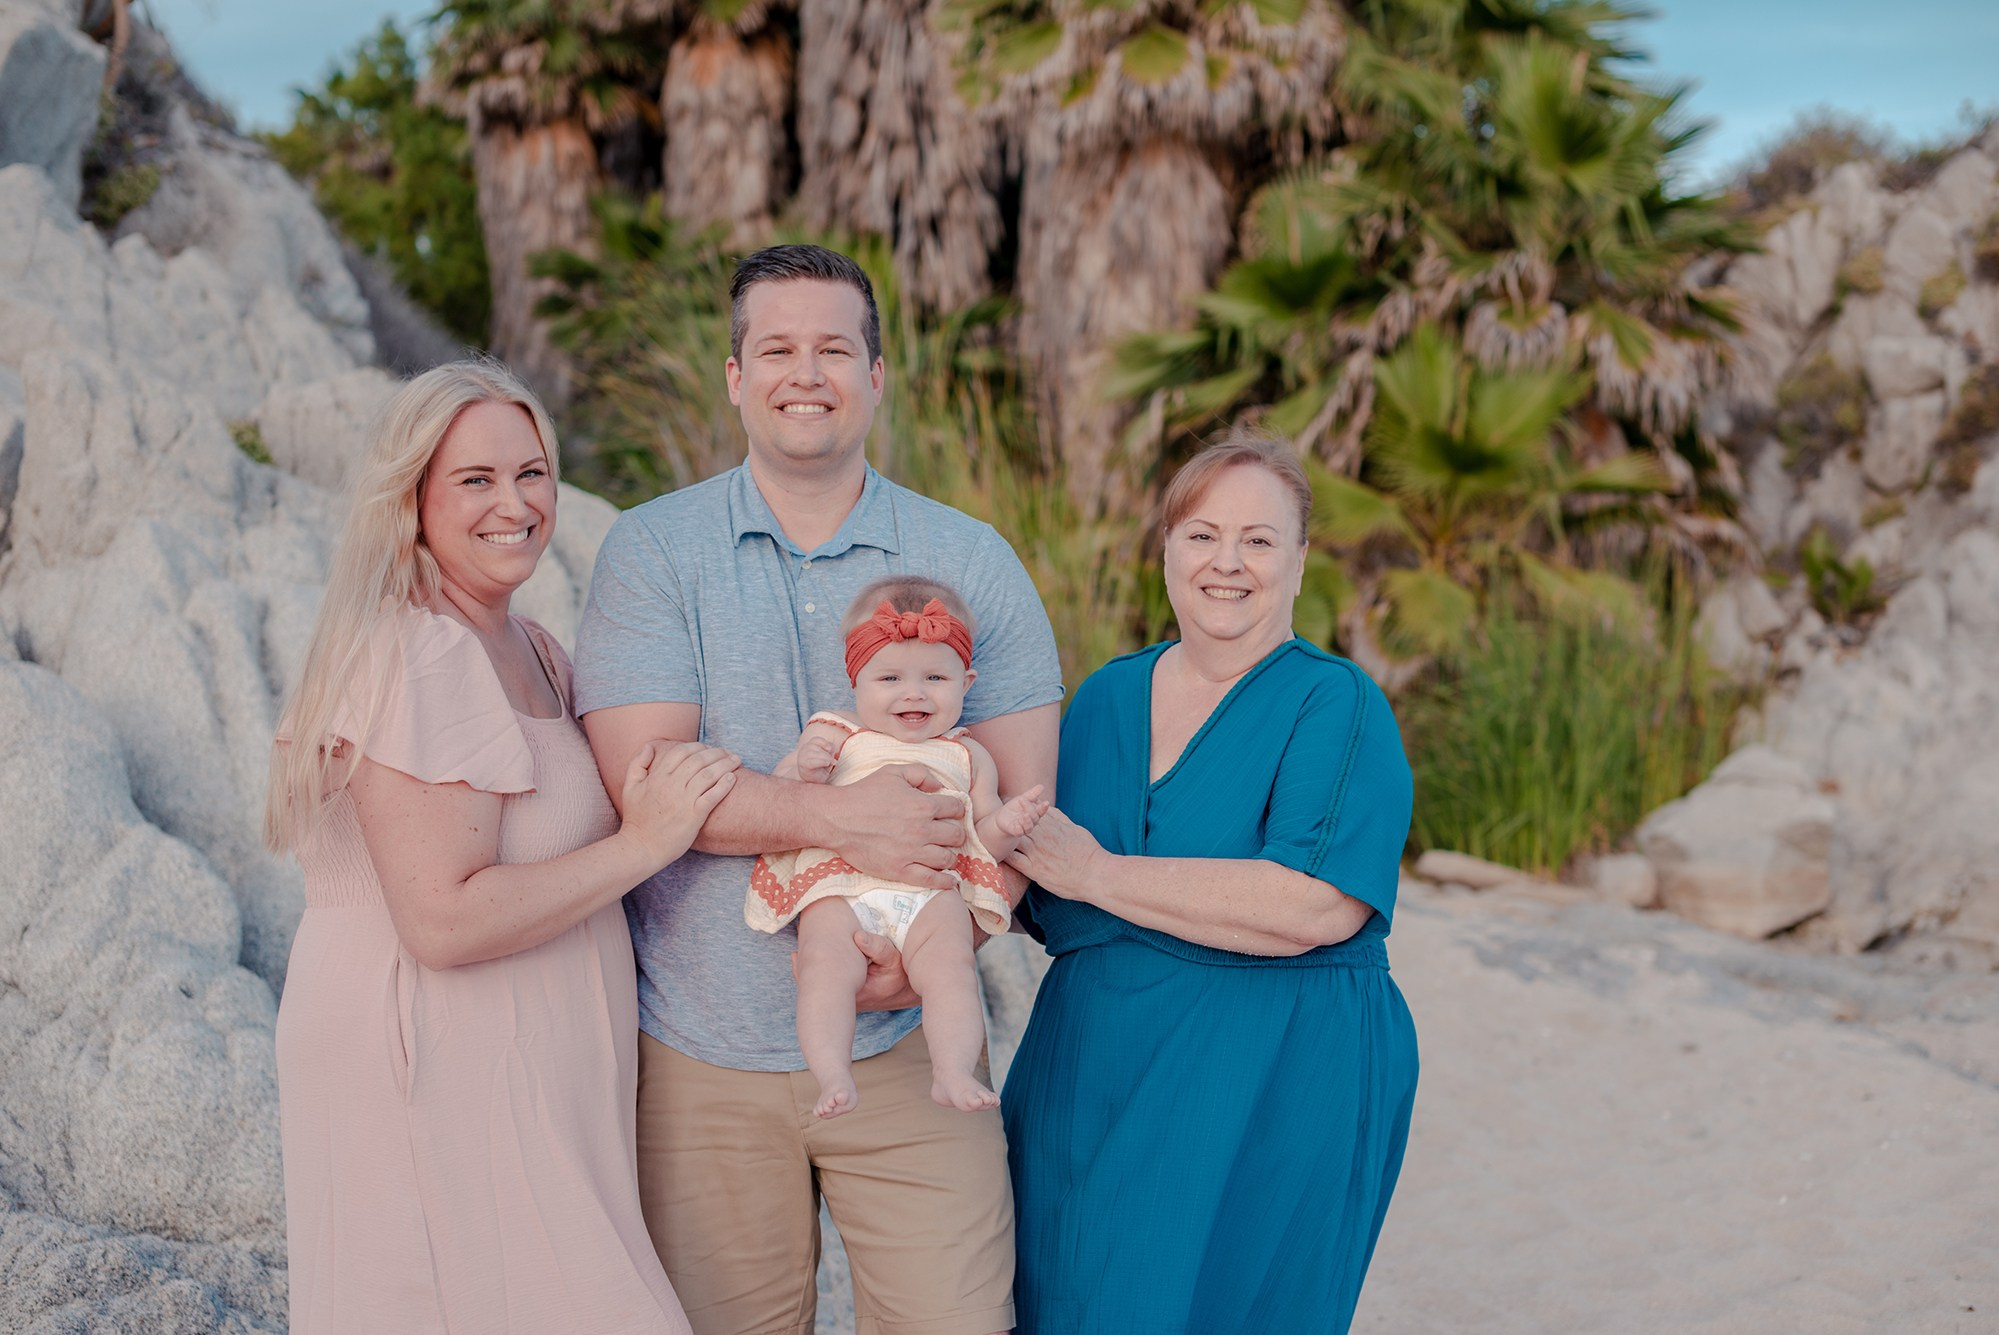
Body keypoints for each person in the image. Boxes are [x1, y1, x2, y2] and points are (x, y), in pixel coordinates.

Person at [575, 244, 1062, 1335]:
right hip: (702, 1057)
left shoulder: (971, 557)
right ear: (736, 376)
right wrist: (844, 820)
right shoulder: (652, 551)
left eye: (834, 348)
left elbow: (1016, 796)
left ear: (877, 376)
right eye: (777, 348)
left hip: (913, 1055)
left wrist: (926, 953)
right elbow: (648, 786)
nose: (807, 372)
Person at [265, 360, 739, 1334]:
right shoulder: (419, 652)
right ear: (413, 500)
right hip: (440, 1067)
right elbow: (441, 918)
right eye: (475, 481)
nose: (514, 504)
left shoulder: (532, 648)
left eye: (531, 473)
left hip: (534, 1077)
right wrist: (643, 844)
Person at [1001, 435, 1420, 1334]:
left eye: (1260, 541)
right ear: (1165, 551)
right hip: (1090, 1072)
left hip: (1270, 1077)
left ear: (1301, 562)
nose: (1227, 562)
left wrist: (1103, 874)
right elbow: (1032, 888)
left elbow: (1314, 903)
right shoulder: (1104, 700)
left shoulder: (1335, 703)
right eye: (1201, 535)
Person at [750, 577, 1052, 1119]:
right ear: (856, 681)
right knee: (823, 965)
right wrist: (808, 770)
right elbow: (788, 800)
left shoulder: (968, 756)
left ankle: (952, 1071)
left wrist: (1010, 821)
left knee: (951, 967)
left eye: (935, 677)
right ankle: (832, 1071)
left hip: (931, 894)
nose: (913, 693)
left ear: (967, 681)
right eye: (889, 677)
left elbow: (985, 841)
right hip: (842, 887)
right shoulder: (835, 734)